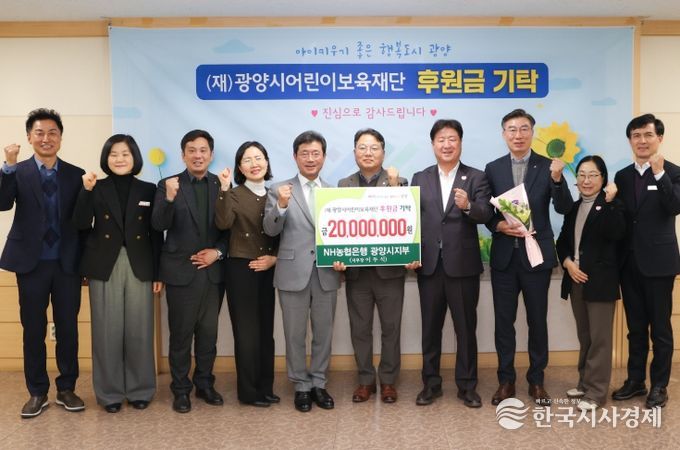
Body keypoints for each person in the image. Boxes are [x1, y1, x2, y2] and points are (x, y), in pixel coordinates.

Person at [0, 108, 86, 418]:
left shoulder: (76, 174)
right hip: (31, 264)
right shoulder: (17, 170)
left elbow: (83, 221)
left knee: (68, 328)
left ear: (60, 137)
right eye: (39, 132)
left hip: (67, 264)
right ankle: (37, 392)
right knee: (33, 329)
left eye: (52, 133)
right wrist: (8, 166)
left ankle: (66, 388)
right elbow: (2, 203)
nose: (46, 138)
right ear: (29, 137)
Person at [484, 108, 573, 406]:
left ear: (532, 133)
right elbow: (486, 211)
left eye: (524, 129)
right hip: (504, 258)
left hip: (536, 256)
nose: (518, 135)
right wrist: (497, 225)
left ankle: (536, 380)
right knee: (503, 322)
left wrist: (558, 180)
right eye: (512, 129)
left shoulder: (548, 166)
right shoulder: (493, 168)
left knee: (537, 321)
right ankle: (506, 380)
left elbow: (563, 208)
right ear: (503, 134)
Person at [72, 134, 163, 413]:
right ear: (106, 158)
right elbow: (80, 223)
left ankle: (140, 389)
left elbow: (156, 234)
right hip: (104, 265)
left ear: (135, 157)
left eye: (125, 153)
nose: (119, 159)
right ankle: (109, 394)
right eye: (113, 154)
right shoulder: (95, 187)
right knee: (106, 332)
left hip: (140, 264)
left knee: (140, 330)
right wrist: (86, 191)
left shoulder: (149, 189)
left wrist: (158, 273)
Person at [407, 119, 493, 408]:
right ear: (433, 144)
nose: (447, 144)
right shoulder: (420, 177)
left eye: (452, 139)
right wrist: (410, 252)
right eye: (441, 139)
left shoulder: (477, 177)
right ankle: (430, 384)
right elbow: (411, 220)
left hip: (463, 266)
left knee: (465, 329)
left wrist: (468, 206)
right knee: (430, 328)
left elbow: (486, 214)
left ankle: (467, 386)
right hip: (429, 265)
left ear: (460, 143)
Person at [263, 130, 340, 413]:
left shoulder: (334, 192)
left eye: (315, 153)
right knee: (294, 334)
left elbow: (341, 235)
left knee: (323, 333)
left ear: (324, 157)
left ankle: (319, 382)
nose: (310, 158)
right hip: (292, 272)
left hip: (326, 271)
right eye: (304, 153)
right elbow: (270, 230)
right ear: (295, 157)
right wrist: (281, 205)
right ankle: (301, 386)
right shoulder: (279, 189)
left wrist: (342, 258)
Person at [151, 129, 228, 413]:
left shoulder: (220, 184)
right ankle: (181, 389)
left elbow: (229, 227)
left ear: (211, 154)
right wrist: (169, 199)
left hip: (212, 272)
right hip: (180, 273)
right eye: (192, 150)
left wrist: (217, 253)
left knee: (208, 334)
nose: (198, 155)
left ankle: (205, 383)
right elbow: (158, 225)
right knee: (181, 335)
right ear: (183, 155)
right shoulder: (168, 184)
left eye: (203, 150)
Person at [333, 128, 408, 404]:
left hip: (390, 272)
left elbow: (405, 222)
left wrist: (394, 185)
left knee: (391, 328)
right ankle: (365, 380)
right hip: (357, 273)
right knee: (360, 329)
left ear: (383, 153)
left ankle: (388, 381)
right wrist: (336, 256)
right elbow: (339, 228)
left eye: (374, 148)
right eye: (362, 147)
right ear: (354, 152)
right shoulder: (343, 184)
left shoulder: (399, 181)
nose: (368, 153)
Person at [612, 113, 680, 409]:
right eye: (636, 135)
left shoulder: (673, 173)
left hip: (659, 264)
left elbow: (675, 206)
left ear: (659, 138)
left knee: (660, 330)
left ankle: (659, 386)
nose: (642, 140)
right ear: (630, 140)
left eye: (648, 135)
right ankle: (635, 380)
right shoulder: (622, 176)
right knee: (635, 328)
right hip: (629, 264)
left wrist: (659, 174)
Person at [556, 155, 625, 411]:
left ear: (603, 178)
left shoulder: (613, 205)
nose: (586, 180)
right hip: (575, 279)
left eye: (592, 175)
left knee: (600, 339)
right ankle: (584, 383)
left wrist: (610, 201)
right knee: (585, 336)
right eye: (582, 175)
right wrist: (567, 263)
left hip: (600, 283)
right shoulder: (574, 208)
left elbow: (617, 232)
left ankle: (596, 393)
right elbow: (562, 241)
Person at [215, 141, 279, 407]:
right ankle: (248, 392)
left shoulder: (276, 193)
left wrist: (274, 259)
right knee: (246, 332)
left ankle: (266, 387)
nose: (255, 164)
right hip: (241, 268)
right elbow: (223, 223)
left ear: (267, 161)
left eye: (259, 158)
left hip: (269, 267)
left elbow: (285, 232)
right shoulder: (232, 193)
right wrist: (223, 189)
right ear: (240, 167)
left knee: (266, 331)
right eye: (248, 160)